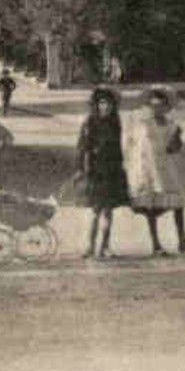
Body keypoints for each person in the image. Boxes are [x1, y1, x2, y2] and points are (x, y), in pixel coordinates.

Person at [125, 86, 185, 255]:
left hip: (165, 166)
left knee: (177, 201)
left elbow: (174, 148)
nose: (156, 108)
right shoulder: (142, 124)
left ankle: (182, 241)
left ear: (166, 106)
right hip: (147, 168)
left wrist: (177, 139)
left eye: (160, 105)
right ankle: (156, 244)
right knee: (151, 205)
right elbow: (133, 145)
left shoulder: (171, 125)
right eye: (153, 105)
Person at [76, 88, 129, 259]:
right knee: (94, 210)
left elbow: (119, 147)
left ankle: (105, 246)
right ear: (96, 105)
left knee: (108, 211)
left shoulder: (116, 123)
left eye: (109, 104)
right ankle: (90, 246)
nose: (105, 107)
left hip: (112, 170)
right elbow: (82, 148)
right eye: (102, 103)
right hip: (95, 170)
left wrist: (122, 167)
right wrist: (81, 169)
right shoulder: (89, 123)